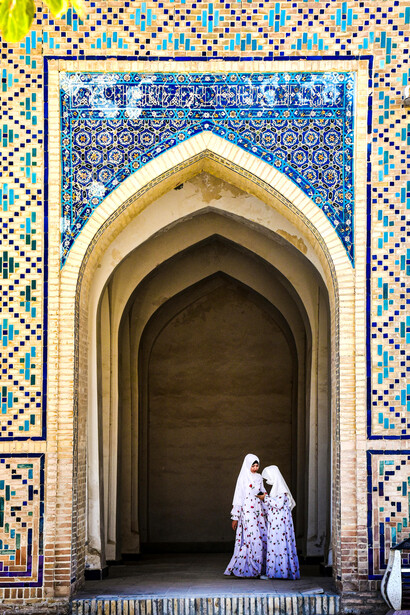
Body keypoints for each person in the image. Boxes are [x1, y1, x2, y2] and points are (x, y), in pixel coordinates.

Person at [224, 453, 267, 578]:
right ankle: (250, 568)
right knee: (252, 539)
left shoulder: (259, 477)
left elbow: (262, 492)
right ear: (248, 465)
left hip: (258, 512)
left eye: (256, 465)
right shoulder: (243, 478)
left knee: (260, 537)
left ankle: (258, 569)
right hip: (247, 512)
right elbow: (238, 497)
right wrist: (235, 517)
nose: (255, 468)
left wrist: (268, 506)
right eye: (252, 465)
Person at [257, 465, 300, 580]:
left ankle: (282, 573)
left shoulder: (281, 490)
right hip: (276, 523)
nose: (267, 481)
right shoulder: (276, 489)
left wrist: (264, 498)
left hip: (280, 525)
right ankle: (275, 572)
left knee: (280, 546)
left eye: (268, 478)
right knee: (275, 546)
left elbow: (278, 504)